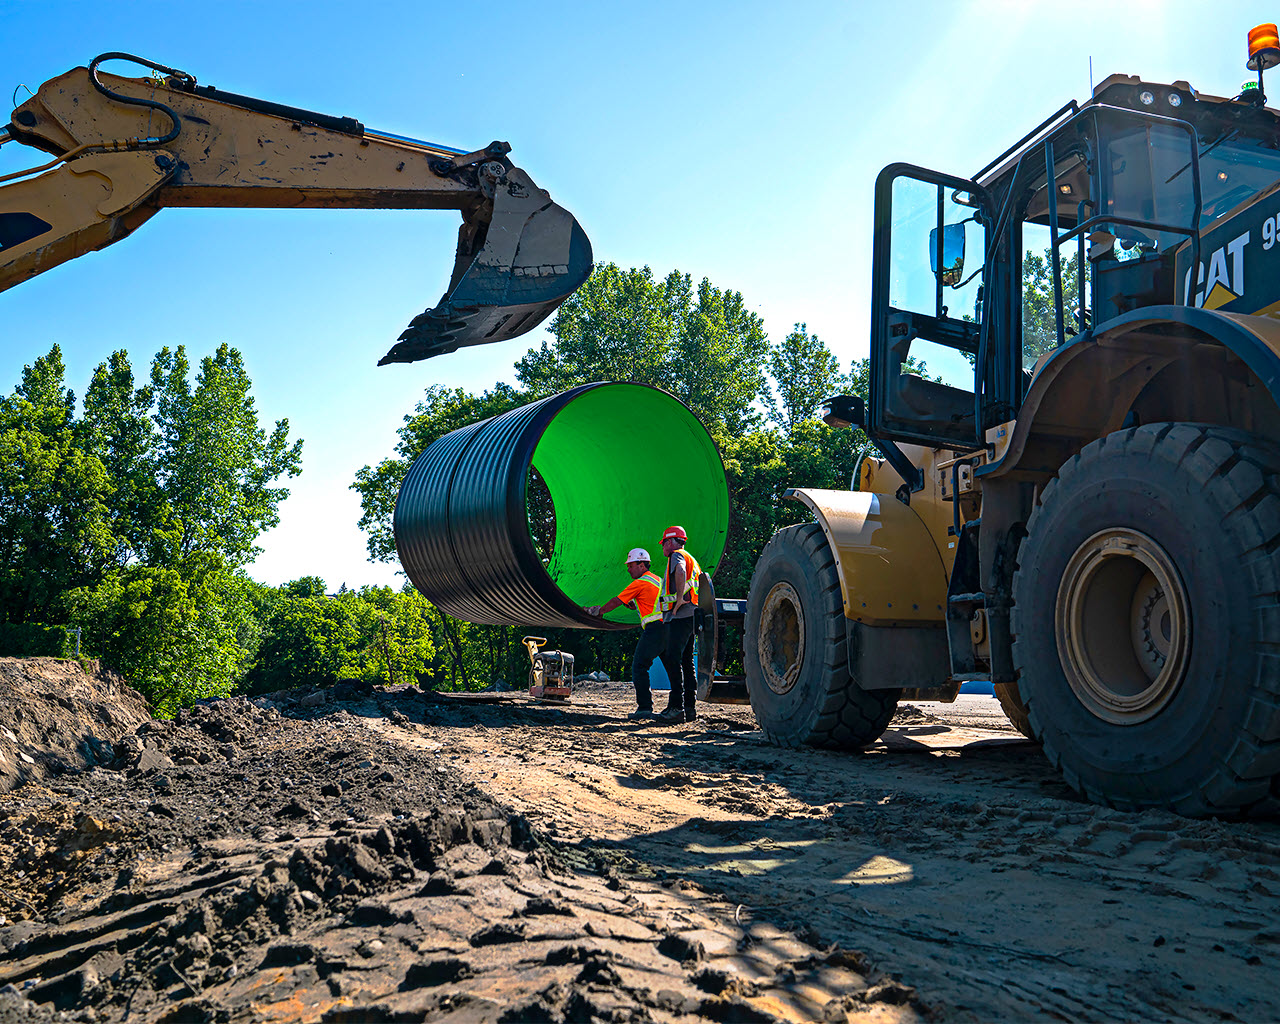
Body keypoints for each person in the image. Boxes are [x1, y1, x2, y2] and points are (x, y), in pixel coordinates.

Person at [584, 548, 665, 720]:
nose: (628, 569)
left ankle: (644, 708)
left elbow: (617, 600)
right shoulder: (658, 580)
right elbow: (654, 601)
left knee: (639, 667)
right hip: (669, 628)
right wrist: (636, 605)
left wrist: (599, 611)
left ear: (642, 565)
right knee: (673, 667)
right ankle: (679, 708)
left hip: (654, 629)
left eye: (631, 565)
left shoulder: (640, 582)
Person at [656, 525, 702, 724]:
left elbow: (680, 572)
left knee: (672, 657)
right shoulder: (692, 558)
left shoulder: (676, 556)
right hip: (692, 614)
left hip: (681, 615)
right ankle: (689, 708)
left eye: (664, 542)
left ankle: (676, 707)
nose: (663, 547)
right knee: (686, 660)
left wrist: (679, 600)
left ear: (670, 541)